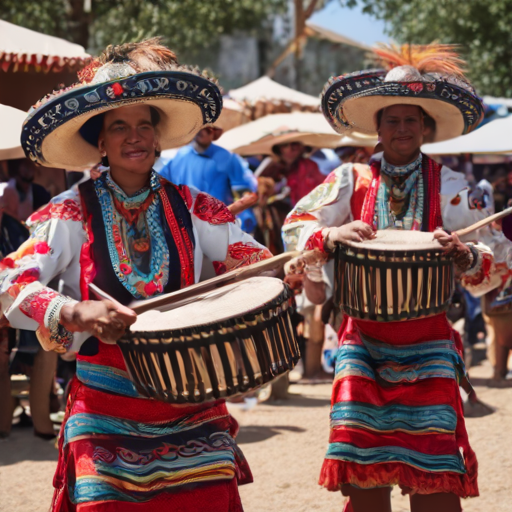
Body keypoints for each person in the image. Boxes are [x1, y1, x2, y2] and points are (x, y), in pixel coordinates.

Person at [0, 39, 272, 511]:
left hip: (191, 398)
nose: (134, 136)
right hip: (105, 406)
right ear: (99, 142)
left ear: (157, 137)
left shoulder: (194, 206)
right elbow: (10, 283)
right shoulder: (68, 211)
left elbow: (255, 260)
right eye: (119, 126)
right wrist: (76, 311)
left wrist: (309, 252)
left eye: (144, 125)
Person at [282, 44, 506, 512]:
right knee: (365, 481)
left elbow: (496, 252)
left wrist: (464, 255)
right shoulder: (350, 179)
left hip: (429, 341)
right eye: (392, 120)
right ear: (377, 127)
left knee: (435, 483)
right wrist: (332, 233)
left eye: (411, 120)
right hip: (361, 342)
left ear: (425, 127)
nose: (402, 129)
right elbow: (296, 223)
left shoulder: (450, 186)